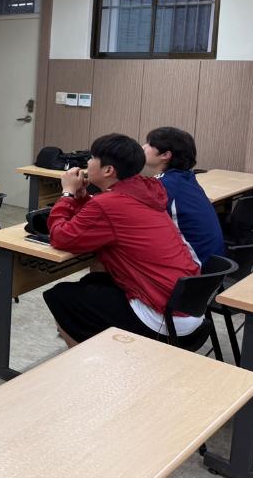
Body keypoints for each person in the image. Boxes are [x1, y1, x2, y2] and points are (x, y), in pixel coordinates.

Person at [42, 133, 202, 348]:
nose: (88, 162)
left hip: (162, 316)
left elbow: (61, 238)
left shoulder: (110, 203)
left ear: (108, 170)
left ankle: (85, 363)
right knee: (93, 280)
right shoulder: (146, 191)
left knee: (59, 296)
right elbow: (108, 216)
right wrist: (82, 198)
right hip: (188, 304)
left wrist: (67, 194)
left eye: (92, 158)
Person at [142, 126, 225, 266]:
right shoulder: (186, 177)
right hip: (213, 263)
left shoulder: (162, 185)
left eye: (150, 144)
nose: (143, 147)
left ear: (165, 155)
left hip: (194, 265)